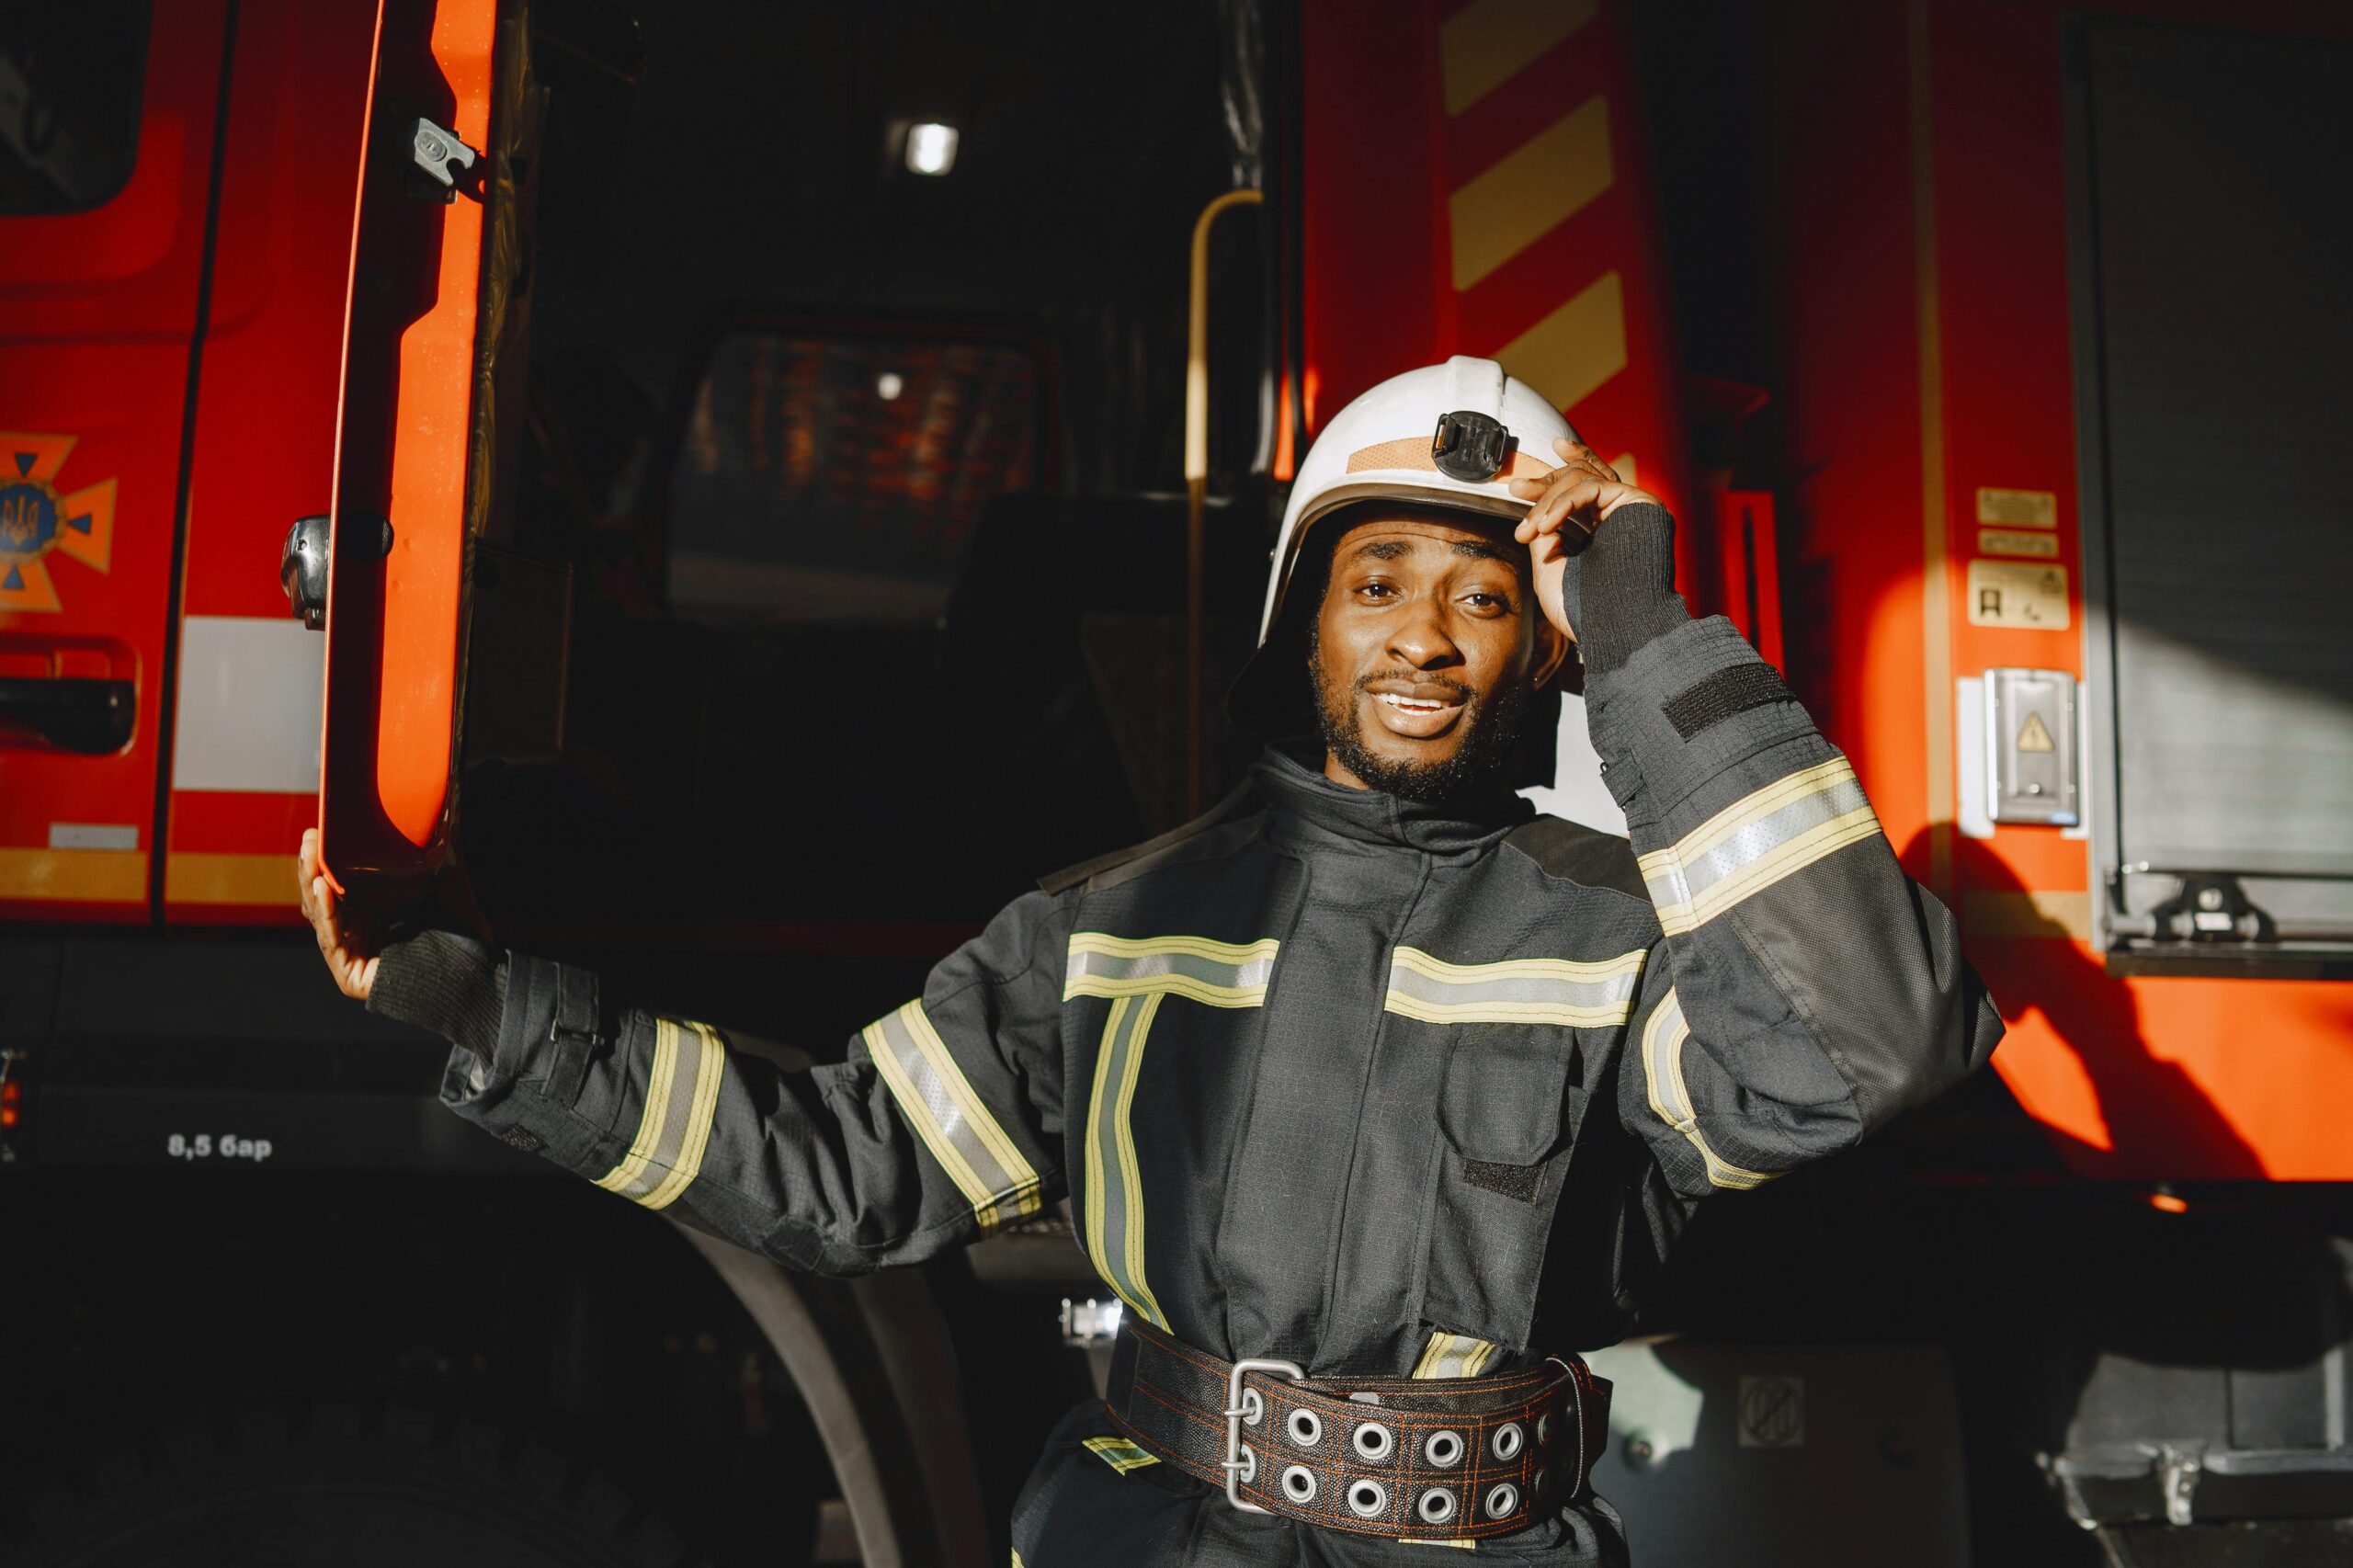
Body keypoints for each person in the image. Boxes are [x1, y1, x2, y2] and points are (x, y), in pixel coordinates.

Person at [302, 357, 2003, 1565]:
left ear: (1541, 651)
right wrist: (495, 1016)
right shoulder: (1110, 926)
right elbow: (837, 1168)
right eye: (1379, 579)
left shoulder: (1621, 941)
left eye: (1485, 599)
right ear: (1304, 625)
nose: (1422, 632)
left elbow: (1871, 1043)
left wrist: (1645, 631)